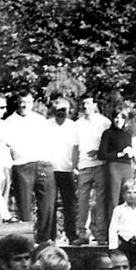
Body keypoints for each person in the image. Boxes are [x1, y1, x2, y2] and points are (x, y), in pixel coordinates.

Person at [5, 93, 56, 243]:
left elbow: (49, 140)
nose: (24, 105)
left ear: (32, 103)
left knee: (47, 203)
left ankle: (44, 238)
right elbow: (6, 144)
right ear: (17, 103)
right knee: (24, 203)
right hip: (22, 165)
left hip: (42, 164)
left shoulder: (40, 120)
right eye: (21, 102)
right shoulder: (9, 122)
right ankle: (27, 240)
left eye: (27, 102)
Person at [74, 95, 111, 245]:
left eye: (88, 103)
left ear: (94, 104)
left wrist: (99, 152)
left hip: (100, 165)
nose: (85, 106)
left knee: (100, 201)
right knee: (83, 201)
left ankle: (101, 233)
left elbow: (110, 143)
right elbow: (75, 147)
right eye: (83, 104)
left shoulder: (104, 122)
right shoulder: (77, 124)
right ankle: (83, 233)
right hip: (83, 166)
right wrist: (74, 166)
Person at [48, 98, 79, 243]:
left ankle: (72, 236)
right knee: (50, 205)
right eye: (58, 110)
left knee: (70, 205)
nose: (61, 113)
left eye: (64, 110)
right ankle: (50, 236)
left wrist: (74, 167)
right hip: (50, 170)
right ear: (54, 110)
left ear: (68, 111)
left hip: (67, 170)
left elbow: (76, 148)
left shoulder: (73, 126)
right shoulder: (47, 125)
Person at [98, 108, 135, 228]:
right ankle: (112, 231)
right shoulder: (108, 133)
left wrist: (131, 153)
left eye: (122, 117)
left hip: (127, 167)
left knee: (129, 197)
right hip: (113, 167)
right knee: (113, 200)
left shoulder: (127, 134)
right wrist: (119, 154)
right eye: (116, 117)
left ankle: (127, 229)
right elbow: (101, 154)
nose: (119, 120)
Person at [108, 180, 136, 266]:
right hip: (125, 242)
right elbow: (113, 229)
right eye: (128, 193)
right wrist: (113, 247)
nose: (132, 195)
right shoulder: (118, 210)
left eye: (134, 192)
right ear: (124, 195)